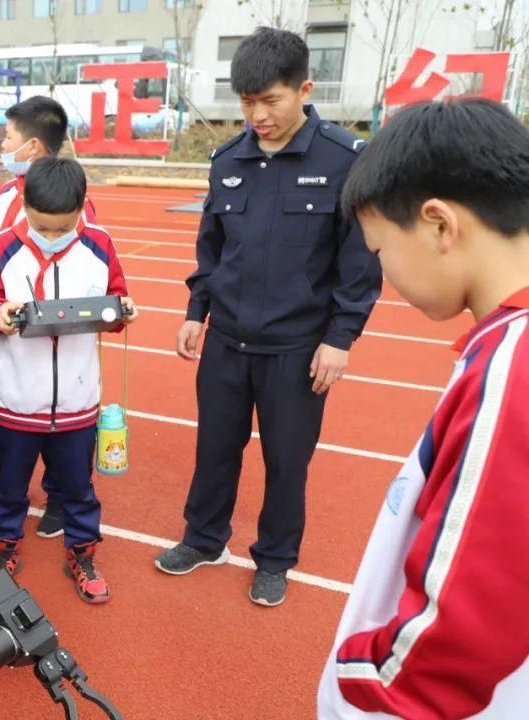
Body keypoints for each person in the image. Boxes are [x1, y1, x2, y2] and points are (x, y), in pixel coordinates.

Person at [154, 27, 382, 607]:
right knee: (215, 447)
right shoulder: (229, 160)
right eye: (247, 102)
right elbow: (212, 246)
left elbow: (359, 261)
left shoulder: (342, 160)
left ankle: (275, 557)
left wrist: (341, 338)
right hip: (227, 339)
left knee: (287, 460)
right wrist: (195, 311)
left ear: (303, 89)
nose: (257, 115)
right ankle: (204, 539)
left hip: (298, 348)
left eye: (270, 100)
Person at [317, 98, 529, 718]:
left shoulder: (513, 363)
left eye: (380, 251)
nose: (383, 276)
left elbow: (456, 636)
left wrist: (349, 680)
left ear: (439, 225)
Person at [0, 157, 136, 603]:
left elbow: (116, 301)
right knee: (9, 484)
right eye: (41, 227)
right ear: (24, 204)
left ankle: (82, 553)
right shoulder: (2, 246)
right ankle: (5, 548)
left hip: (77, 398)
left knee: (78, 487)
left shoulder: (100, 245)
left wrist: (122, 313)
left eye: (61, 227)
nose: (49, 237)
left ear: (82, 208)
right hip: (17, 397)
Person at [0, 95, 96, 540]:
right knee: (12, 416)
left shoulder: (73, 207)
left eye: (8, 138)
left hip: (61, 343)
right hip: (5, 329)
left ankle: (61, 497)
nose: (2, 146)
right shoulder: (5, 196)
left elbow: (90, 279)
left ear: (34, 148)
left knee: (63, 423)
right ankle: (9, 485)